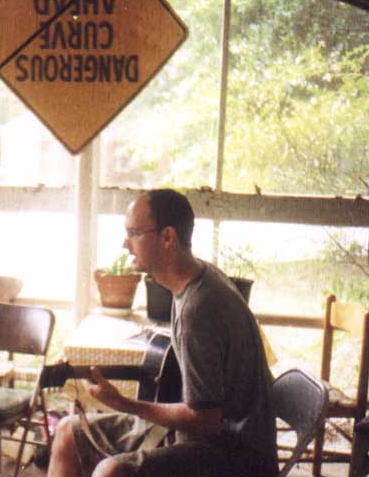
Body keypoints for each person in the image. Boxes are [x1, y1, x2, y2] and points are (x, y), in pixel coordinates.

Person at [48, 189, 278, 477]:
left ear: (167, 237)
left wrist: (123, 403)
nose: (125, 244)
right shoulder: (194, 280)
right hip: (201, 437)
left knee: (111, 472)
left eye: (133, 233)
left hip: (234, 456)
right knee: (69, 431)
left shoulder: (200, 308)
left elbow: (205, 420)